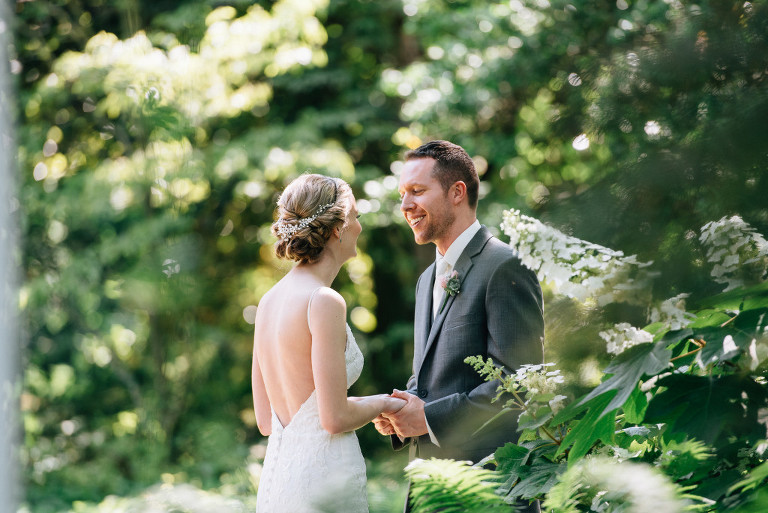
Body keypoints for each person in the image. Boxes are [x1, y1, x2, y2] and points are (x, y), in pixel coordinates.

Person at [374, 140, 545, 511]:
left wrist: (428, 418)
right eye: (402, 194)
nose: (405, 206)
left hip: (489, 492)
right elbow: (435, 378)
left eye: (417, 191)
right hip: (431, 490)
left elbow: (518, 384)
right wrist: (405, 411)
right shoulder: (425, 281)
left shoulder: (505, 265)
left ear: (457, 192)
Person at [252, 174, 405, 513]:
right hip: (324, 483)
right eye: (355, 217)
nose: (359, 227)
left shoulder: (268, 302)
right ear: (337, 227)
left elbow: (266, 421)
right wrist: (386, 403)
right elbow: (333, 417)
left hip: (278, 485)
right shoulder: (323, 301)